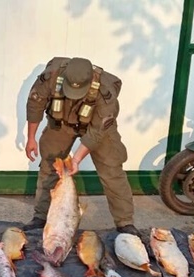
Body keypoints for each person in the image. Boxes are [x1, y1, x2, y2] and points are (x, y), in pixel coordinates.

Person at [23, 57, 139, 235]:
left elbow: (97, 133)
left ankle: (125, 223)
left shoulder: (105, 93)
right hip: (62, 122)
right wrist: (31, 138)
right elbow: (35, 105)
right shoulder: (51, 77)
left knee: (112, 171)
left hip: (96, 126)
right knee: (49, 167)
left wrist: (75, 159)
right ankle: (41, 216)